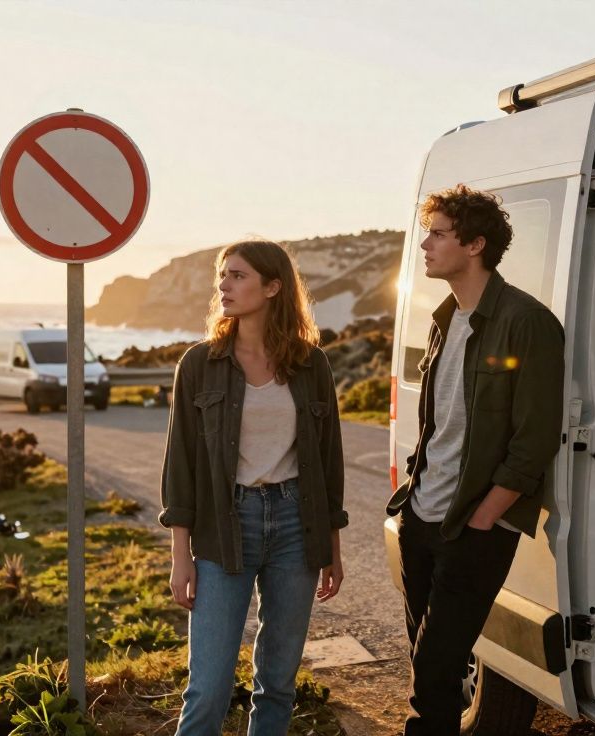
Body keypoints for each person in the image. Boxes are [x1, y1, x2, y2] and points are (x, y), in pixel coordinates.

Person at [386, 185, 565, 734]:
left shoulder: (527, 322)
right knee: (427, 661)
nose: (425, 245)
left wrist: (486, 517)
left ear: (475, 245)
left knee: (435, 672)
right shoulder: (444, 319)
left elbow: (535, 439)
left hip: (473, 527)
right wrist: (411, 503)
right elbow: (438, 425)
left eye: (438, 234)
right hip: (421, 516)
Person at [159, 240, 347, 735]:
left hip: (296, 526)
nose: (223, 284)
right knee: (208, 688)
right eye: (222, 275)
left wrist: (332, 547)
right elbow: (181, 464)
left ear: (273, 287)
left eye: (237, 275)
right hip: (225, 528)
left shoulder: (311, 364)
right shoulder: (199, 364)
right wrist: (181, 556)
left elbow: (328, 461)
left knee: (278, 684)